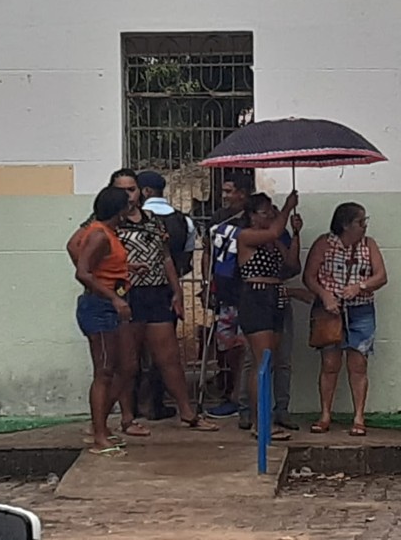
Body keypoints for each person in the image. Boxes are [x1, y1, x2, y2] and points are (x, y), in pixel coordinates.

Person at [110, 170, 218, 433]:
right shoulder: (107, 222)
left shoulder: (153, 221)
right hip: (127, 295)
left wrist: (177, 291)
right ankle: (126, 417)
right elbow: (82, 252)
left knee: (169, 357)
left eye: (132, 189)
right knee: (128, 362)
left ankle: (187, 413)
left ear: (141, 191)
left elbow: (166, 257)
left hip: (157, 293)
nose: (128, 195)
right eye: (121, 190)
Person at [303, 202, 388, 437]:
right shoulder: (324, 244)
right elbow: (309, 276)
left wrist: (361, 286)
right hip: (330, 311)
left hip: (360, 309)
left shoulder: (368, 245)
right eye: (360, 222)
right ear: (345, 224)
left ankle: (359, 416)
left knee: (358, 364)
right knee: (330, 364)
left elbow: (381, 276)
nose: (364, 226)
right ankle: (325, 414)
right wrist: (325, 295)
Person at [71, 186, 137, 455]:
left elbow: (98, 264)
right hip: (100, 307)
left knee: (127, 366)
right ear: (120, 209)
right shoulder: (99, 234)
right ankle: (99, 433)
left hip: (108, 304)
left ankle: (101, 425)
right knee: (105, 370)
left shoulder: (105, 233)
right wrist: (114, 297)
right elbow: (83, 273)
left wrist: (125, 270)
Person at [236, 191, 301, 441]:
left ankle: (265, 417)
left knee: (271, 360)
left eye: (272, 211)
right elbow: (274, 231)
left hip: (275, 296)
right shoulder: (246, 236)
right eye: (266, 212)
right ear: (252, 216)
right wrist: (286, 207)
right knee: (261, 362)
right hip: (257, 296)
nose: (272, 215)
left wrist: (295, 234)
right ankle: (258, 421)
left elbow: (292, 266)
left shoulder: (273, 241)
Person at [201, 173, 255, 419]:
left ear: (242, 193)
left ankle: (240, 396)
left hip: (248, 293)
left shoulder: (254, 218)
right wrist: (206, 282)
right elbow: (207, 252)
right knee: (228, 346)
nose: (224, 196)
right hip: (224, 292)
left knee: (246, 346)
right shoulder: (219, 219)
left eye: (228, 191)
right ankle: (231, 391)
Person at [139, 170, 196, 279]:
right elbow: (186, 256)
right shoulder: (185, 220)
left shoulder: (135, 218)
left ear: (146, 191)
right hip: (172, 285)